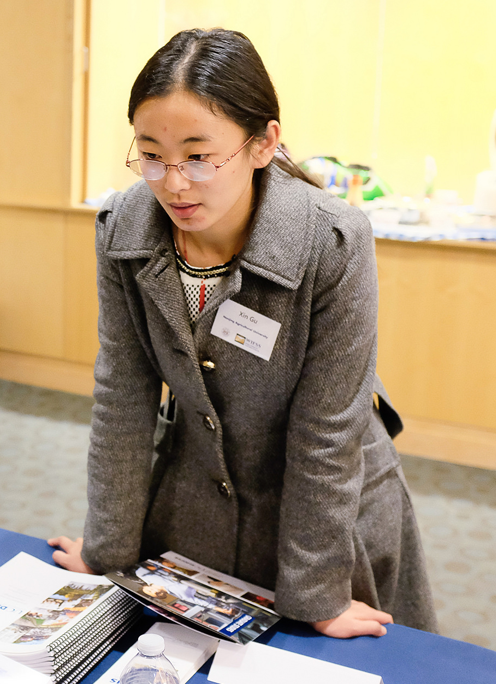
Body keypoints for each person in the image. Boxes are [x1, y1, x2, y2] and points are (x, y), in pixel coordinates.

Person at [48, 28, 437, 638]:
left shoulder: (332, 240)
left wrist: (317, 595)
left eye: (198, 157)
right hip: (195, 494)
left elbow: (326, 430)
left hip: (326, 520)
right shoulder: (123, 226)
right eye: (151, 154)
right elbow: (122, 395)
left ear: (263, 144)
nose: (173, 183)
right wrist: (107, 549)